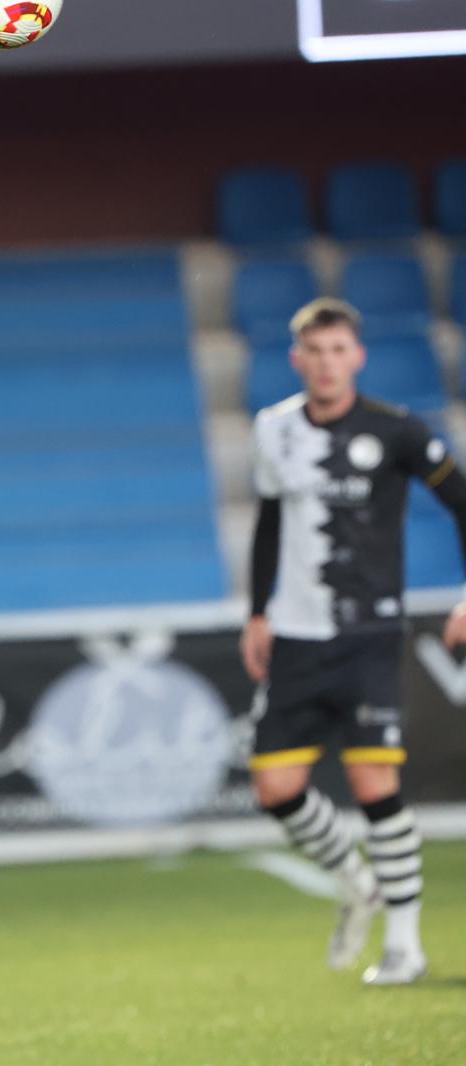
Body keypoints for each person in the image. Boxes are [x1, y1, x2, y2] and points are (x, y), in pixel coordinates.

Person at [242, 297, 466, 986]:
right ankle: (355, 880)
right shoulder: (273, 428)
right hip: (299, 637)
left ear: (357, 357)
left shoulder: (397, 431)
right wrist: (258, 612)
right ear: (297, 359)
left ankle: (404, 944)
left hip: (369, 632)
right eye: (316, 351)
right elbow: (270, 522)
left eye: (339, 351)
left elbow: (462, 501)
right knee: (275, 786)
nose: (328, 363)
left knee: (375, 784)